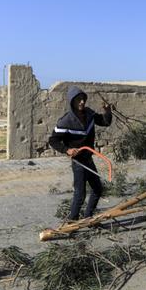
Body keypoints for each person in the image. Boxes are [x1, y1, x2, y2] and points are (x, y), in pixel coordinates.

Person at [49, 86, 113, 221]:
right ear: (72, 102)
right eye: (78, 100)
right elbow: (53, 140)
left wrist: (107, 111)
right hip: (78, 162)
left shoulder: (89, 114)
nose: (82, 102)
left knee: (97, 189)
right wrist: (67, 150)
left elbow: (105, 122)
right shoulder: (66, 121)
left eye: (83, 99)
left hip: (88, 159)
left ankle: (88, 217)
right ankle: (72, 222)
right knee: (80, 194)